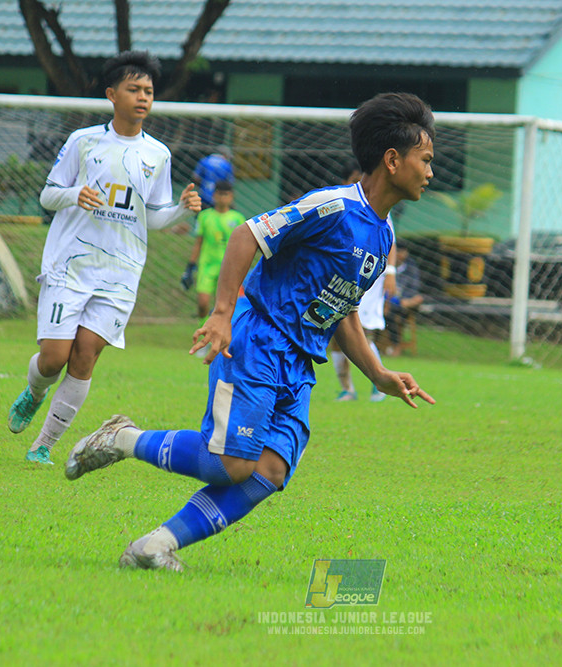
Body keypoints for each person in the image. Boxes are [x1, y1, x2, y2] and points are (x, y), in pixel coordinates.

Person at [63, 92, 437, 571]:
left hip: (300, 364)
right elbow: (247, 235)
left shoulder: (382, 234)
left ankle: (153, 547)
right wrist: (221, 313)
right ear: (392, 160)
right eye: (425, 160)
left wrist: (378, 373)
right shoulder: (332, 207)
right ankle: (122, 438)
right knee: (234, 462)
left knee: (271, 470)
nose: (430, 172)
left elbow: (341, 309)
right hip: (260, 339)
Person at [6, 51, 201, 464]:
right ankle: (34, 391)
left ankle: (43, 446)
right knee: (54, 357)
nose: (143, 97)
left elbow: (152, 218)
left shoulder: (158, 155)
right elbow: (47, 194)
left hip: (120, 273)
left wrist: (183, 208)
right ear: (112, 94)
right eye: (134, 89)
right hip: (70, 264)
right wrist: (75, 194)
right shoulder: (84, 142)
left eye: (148, 91)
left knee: (85, 354)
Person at [329, 159, 396, 402]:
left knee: (363, 333)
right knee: (337, 334)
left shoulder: (377, 206)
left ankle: (378, 385)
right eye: (354, 179)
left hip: (369, 280)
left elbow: (391, 242)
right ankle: (347, 389)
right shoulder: (336, 206)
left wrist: (391, 273)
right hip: (341, 280)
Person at [181, 180, 244, 319]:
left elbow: (242, 246)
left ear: (231, 196)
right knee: (202, 303)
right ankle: (203, 332)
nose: (222, 198)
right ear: (214, 195)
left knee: (224, 306)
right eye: (219, 194)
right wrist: (190, 266)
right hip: (207, 266)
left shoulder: (238, 218)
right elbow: (198, 243)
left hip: (228, 268)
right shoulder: (205, 216)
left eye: (226, 194)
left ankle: (219, 337)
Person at [383, 239, 424, 356]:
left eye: (403, 252)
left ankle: (395, 346)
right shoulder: (386, 266)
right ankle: (392, 345)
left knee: (415, 301)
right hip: (387, 302)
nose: (401, 255)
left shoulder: (411, 267)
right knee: (390, 313)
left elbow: (414, 288)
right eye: (398, 252)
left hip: (404, 302)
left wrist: (405, 300)